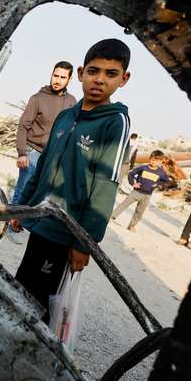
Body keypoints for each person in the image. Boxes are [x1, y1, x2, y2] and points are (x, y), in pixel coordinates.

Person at [9, 39, 131, 321]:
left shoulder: (115, 122)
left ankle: (33, 356)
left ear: (123, 79)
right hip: (40, 220)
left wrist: (84, 243)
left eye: (110, 74)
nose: (99, 80)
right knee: (21, 288)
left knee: (41, 304)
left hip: (67, 232)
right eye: (93, 71)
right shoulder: (65, 116)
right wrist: (22, 208)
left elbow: (105, 186)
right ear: (80, 73)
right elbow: (41, 169)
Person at [10, 61, 77, 207]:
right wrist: (22, 153)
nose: (57, 80)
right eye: (55, 75)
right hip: (32, 153)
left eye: (62, 77)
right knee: (22, 191)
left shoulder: (72, 102)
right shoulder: (37, 98)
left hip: (53, 156)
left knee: (43, 195)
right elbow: (23, 126)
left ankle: (26, 222)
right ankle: (10, 223)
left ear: (69, 79)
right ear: (51, 75)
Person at [111, 150, 170, 232]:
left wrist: (157, 185)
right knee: (124, 204)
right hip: (136, 192)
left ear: (161, 161)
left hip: (147, 195)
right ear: (150, 159)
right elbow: (131, 174)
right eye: (152, 160)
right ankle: (112, 216)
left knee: (139, 211)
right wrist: (133, 183)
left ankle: (132, 225)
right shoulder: (143, 168)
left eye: (157, 161)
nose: (154, 162)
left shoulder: (161, 172)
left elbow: (165, 181)